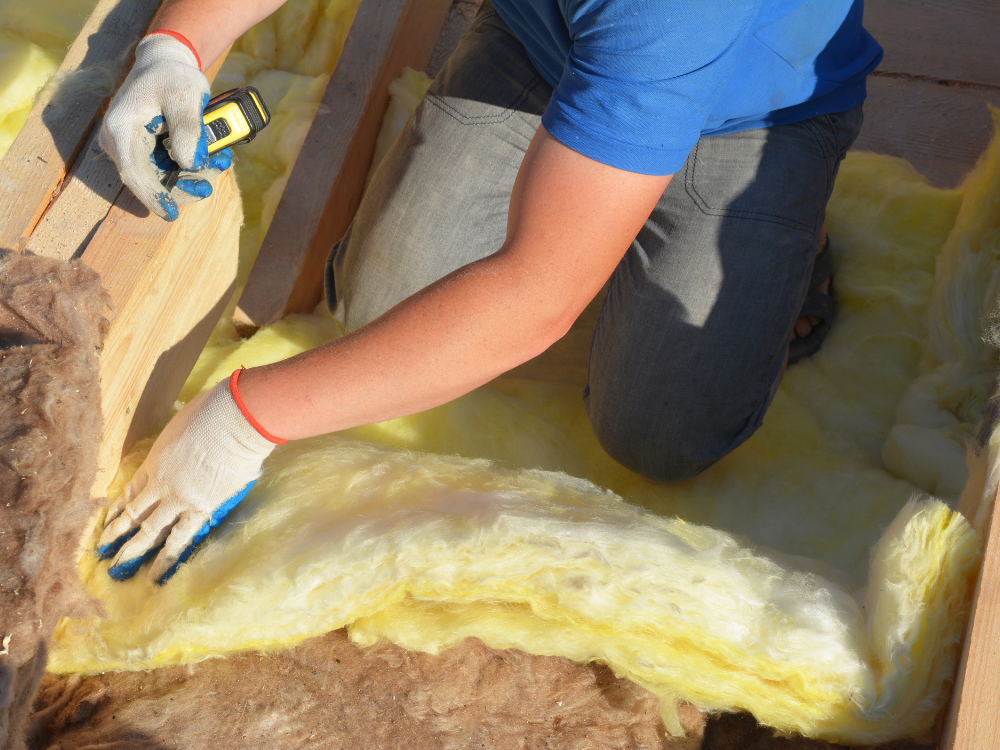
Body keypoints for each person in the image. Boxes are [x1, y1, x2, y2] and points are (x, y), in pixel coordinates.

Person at [96, 0, 883, 583]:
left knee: (663, 430)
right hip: (546, 45)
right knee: (383, 310)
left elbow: (539, 297)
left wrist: (244, 419)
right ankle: (592, 181)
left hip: (748, 113)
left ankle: (789, 240)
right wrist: (177, 46)